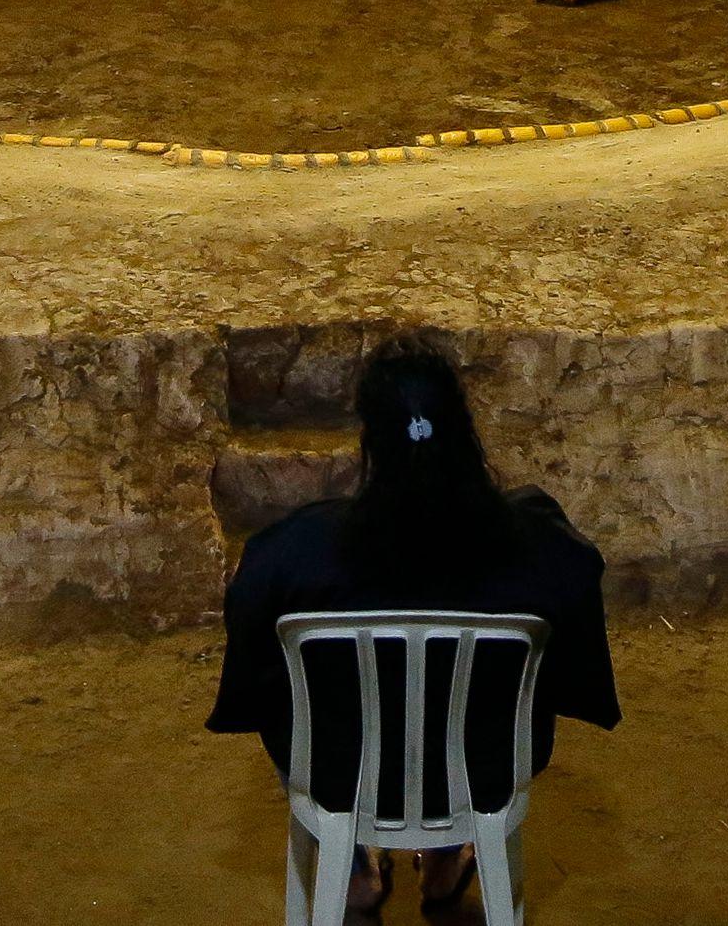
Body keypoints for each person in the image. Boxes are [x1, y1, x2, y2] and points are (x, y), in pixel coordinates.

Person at [211, 348, 619, 913]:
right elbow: (576, 622)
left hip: (340, 772)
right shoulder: (537, 543)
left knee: (296, 696)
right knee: (485, 696)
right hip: (482, 769)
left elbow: (252, 654)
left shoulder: (299, 550)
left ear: (370, 440)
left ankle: (352, 871)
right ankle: (449, 857)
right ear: (463, 430)